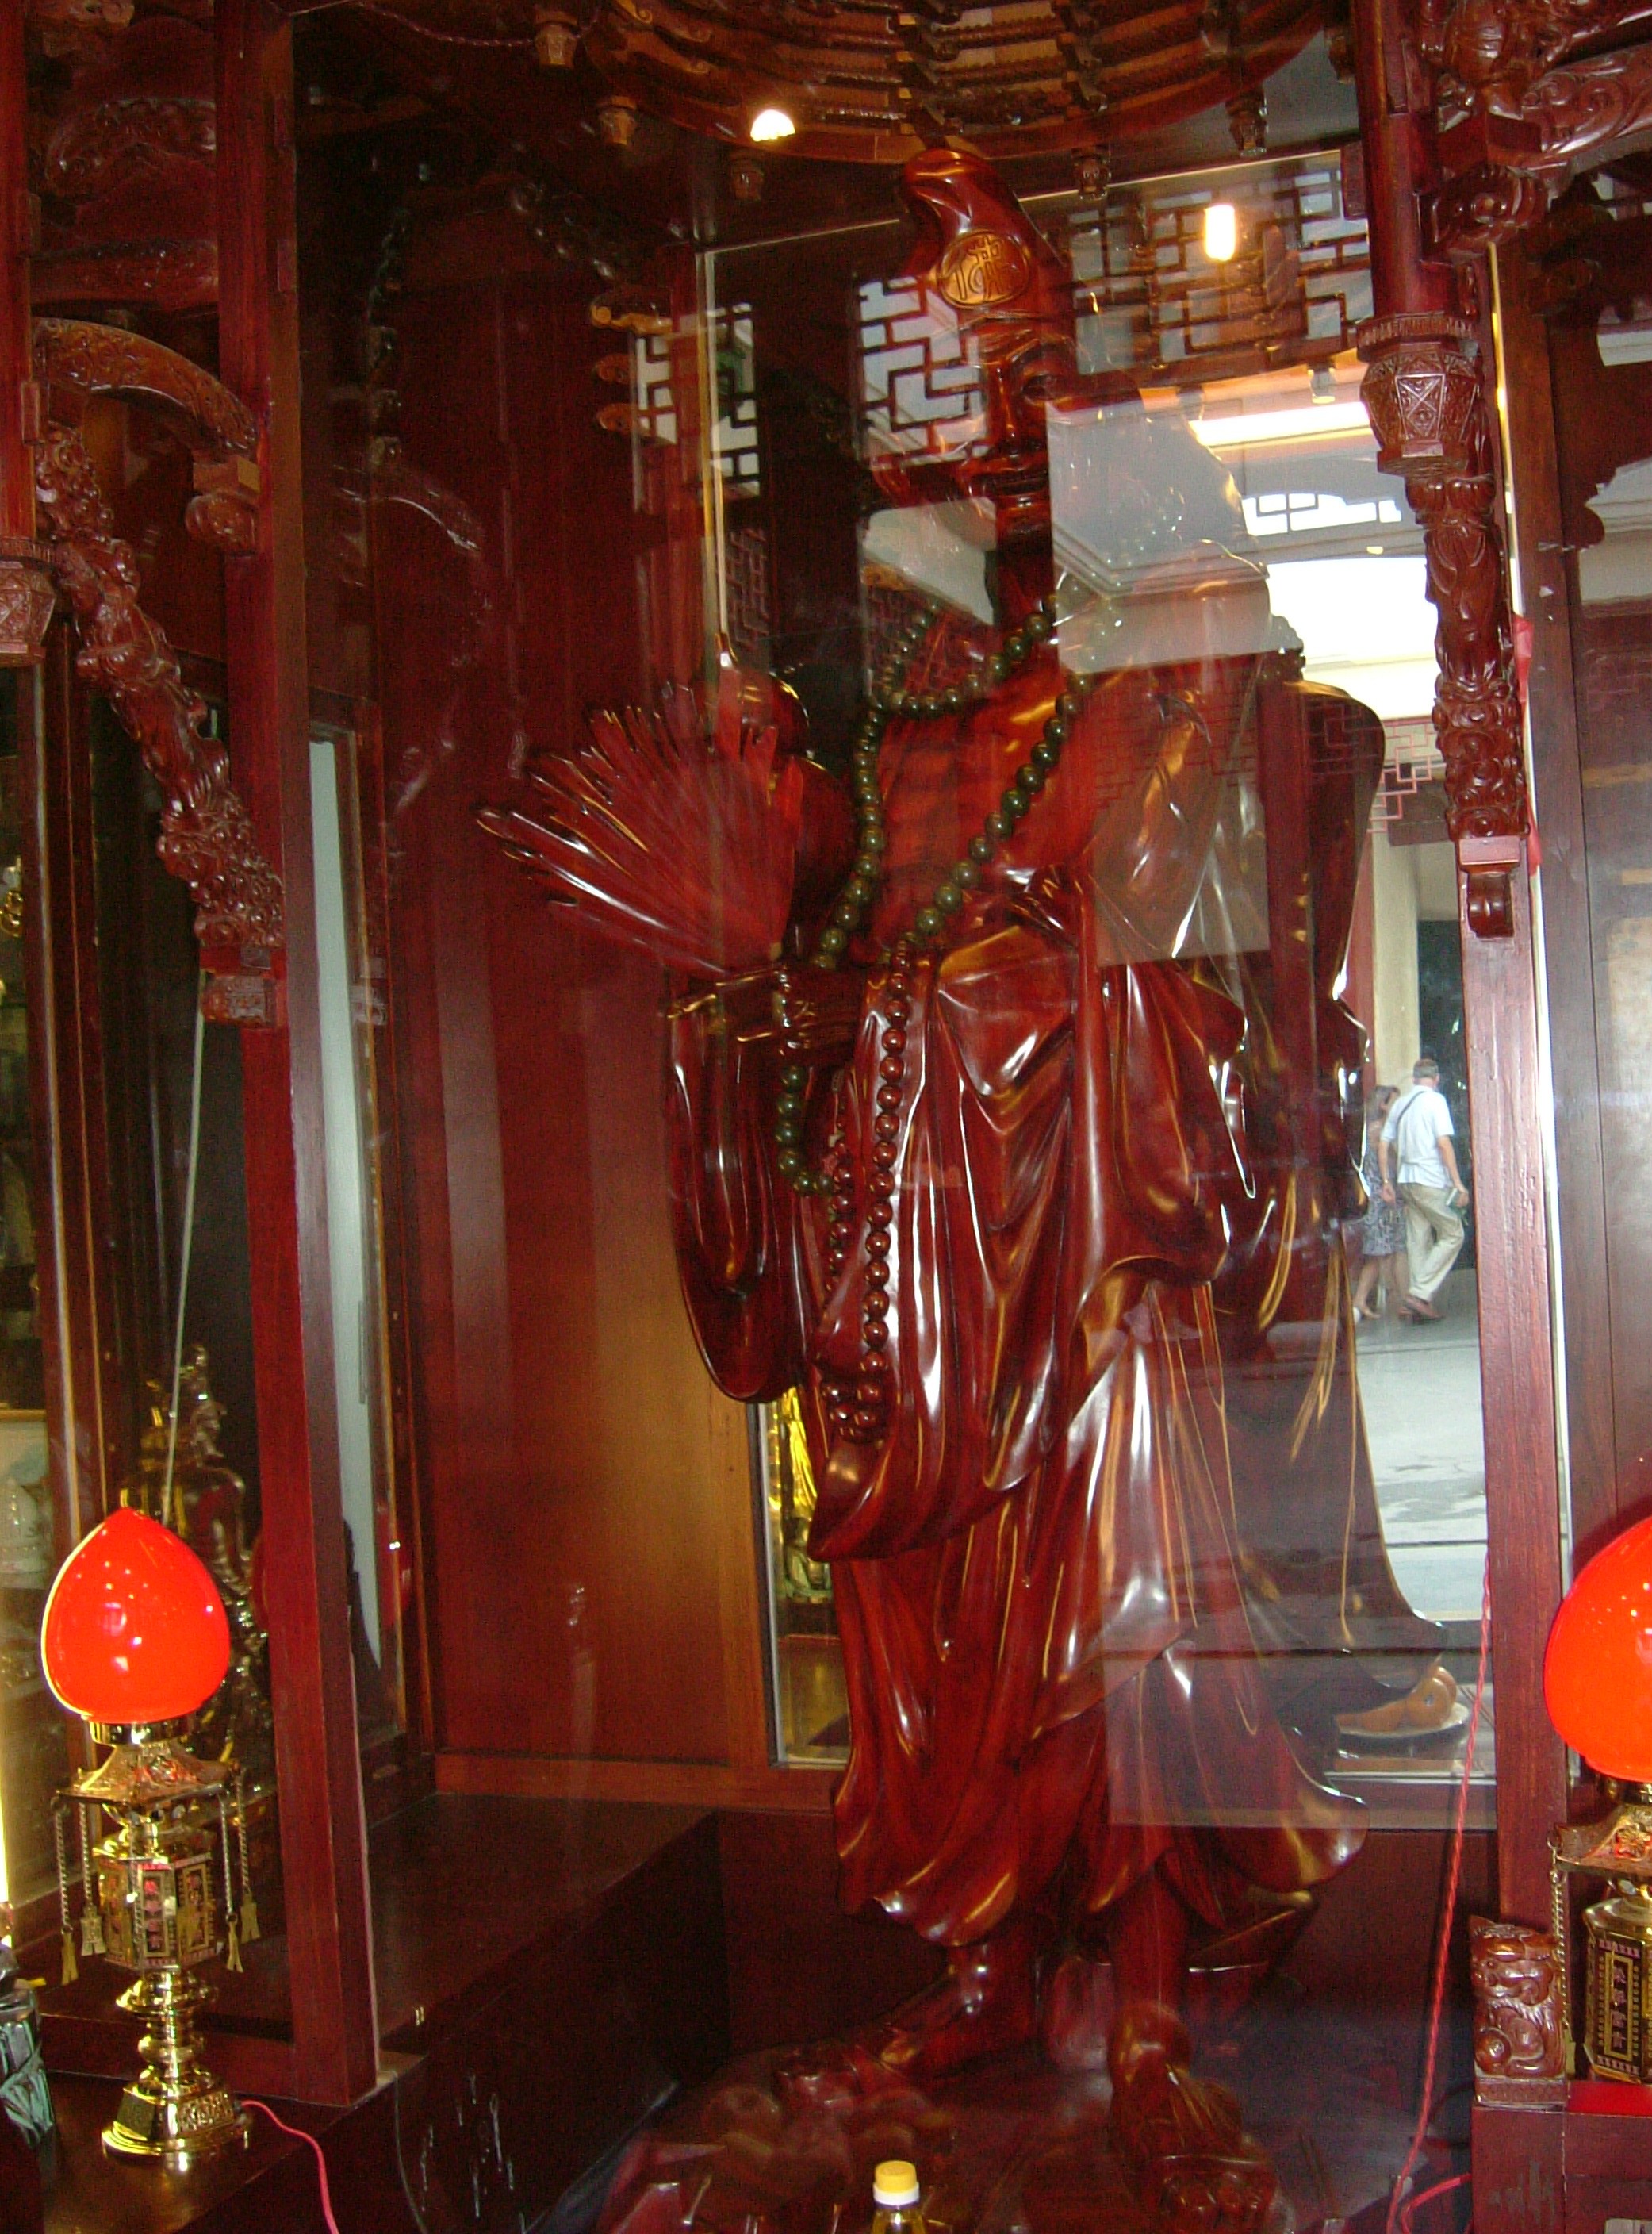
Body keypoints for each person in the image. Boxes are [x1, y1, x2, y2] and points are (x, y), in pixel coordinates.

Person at [489, 149, 1366, 2117]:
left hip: (1086, 1258)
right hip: (915, 1271)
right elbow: (823, 977)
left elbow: (1177, 961)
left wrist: (908, 1009)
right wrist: (764, 989)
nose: (993, 460)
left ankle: (1148, 1994)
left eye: (1029, 412)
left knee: (1124, 1610)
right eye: (955, 419)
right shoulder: (903, 734)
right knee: (936, 1645)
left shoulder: (1174, 667)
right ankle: (979, 1968)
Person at [1378, 1052, 1470, 1322]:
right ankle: (1418, 1295)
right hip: (1429, 1179)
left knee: (1418, 1239)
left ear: (1415, 1079)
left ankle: (1417, 1301)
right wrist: (1457, 1182)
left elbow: (1383, 1143)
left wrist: (1386, 1181)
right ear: (1436, 1079)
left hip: (1405, 1180)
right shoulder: (1435, 1101)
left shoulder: (1401, 1103)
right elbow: (1443, 1143)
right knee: (1453, 1233)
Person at [1349, 1084, 1409, 1322]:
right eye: (1394, 1101)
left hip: (1378, 1199)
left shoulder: (1374, 1129)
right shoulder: (1379, 1131)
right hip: (1379, 1200)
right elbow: (1390, 1162)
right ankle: (1365, 1299)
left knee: (1381, 1254)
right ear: (1383, 1105)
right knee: (1381, 1253)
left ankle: (1363, 1300)